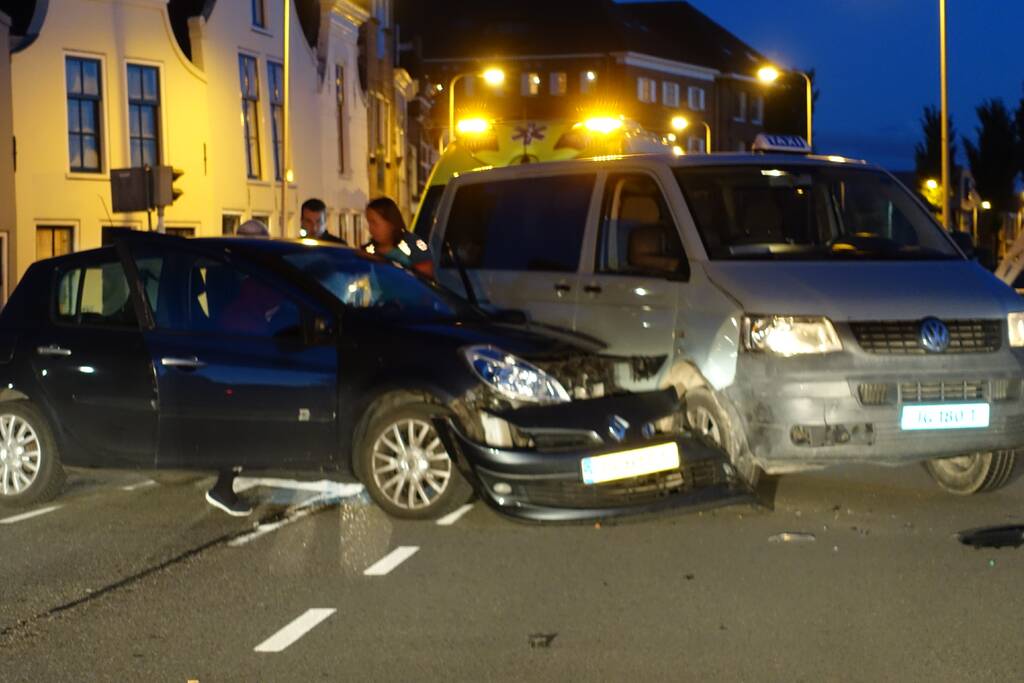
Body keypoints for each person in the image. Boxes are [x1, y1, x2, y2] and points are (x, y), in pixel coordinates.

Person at [362, 197, 434, 278]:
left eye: (374, 223)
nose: (370, 229)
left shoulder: (412, 243)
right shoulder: (368, 249)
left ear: (391, 222)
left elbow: (427, 270)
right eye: (369, 223)